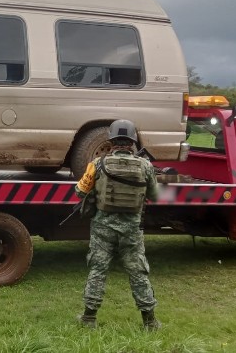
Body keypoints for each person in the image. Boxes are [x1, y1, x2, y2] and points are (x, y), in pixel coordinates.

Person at [74, 119, 161, 330]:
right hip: (132, 229)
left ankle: (89, 318)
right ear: (132, 142)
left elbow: (80, 191)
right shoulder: (146, 166)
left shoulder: (97, 165)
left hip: (103, 227)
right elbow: (155, 196)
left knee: (98, 270)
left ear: (111, 140)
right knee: (138, 272)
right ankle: (149, 321)